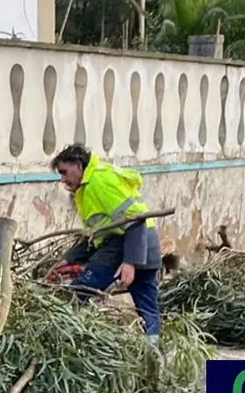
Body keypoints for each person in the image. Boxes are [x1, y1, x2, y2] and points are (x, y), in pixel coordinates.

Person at [49, 143, 163, 345]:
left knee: (80, 290)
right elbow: (96, 233)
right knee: (147, 305)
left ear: (78, 165)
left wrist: (130, 262)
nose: (63, 180)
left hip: (127, 243)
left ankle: (66, 341)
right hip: (146, 243)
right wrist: (67, 259)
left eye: (65, 172)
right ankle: (153, 351)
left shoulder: (99, 182)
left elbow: (135, 219)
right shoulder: (88, 186)